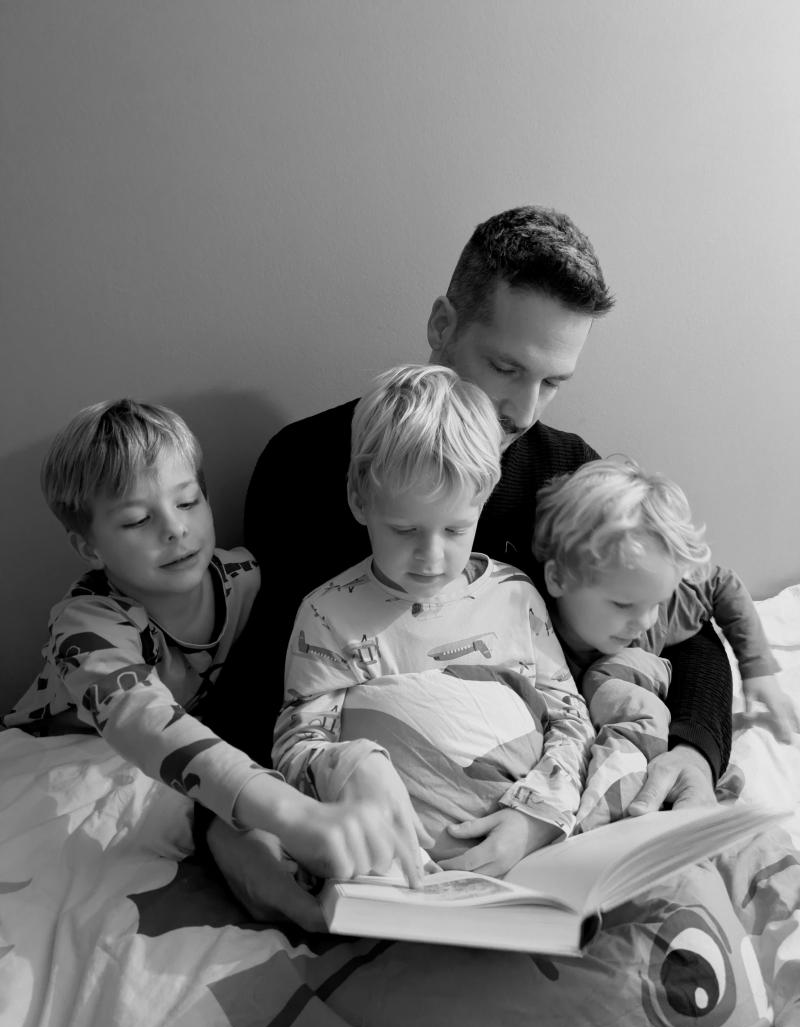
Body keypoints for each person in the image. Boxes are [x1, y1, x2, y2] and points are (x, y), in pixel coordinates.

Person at [201, 204, 733, 924]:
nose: (524, 410)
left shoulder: (566, 474)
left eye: (554, 382)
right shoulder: (304, 465)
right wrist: (223, 824)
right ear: (442, 324)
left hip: (533, 815)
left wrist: (696, 749)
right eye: (506, 368)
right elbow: (266, 673)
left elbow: (678, 625)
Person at [5, 399, 423, 889]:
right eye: (138, 520)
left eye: (187, 502)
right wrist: (289, 811)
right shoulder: (86, 623)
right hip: (76, 752)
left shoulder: (251, 580)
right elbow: (142, 721)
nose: (175, 529)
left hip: (203, 755)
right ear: (88, 547)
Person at [272, 364, 594, 878]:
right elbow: (296, 747)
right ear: (359, 499)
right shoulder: (327, 615)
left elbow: (570, 720)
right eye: (404, 530)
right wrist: (351, 766)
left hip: (528, 851)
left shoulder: (514, 596)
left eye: (456, 529)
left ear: (484, 499)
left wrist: (535, 818)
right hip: (394, 865)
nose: (431, 557)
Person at [532, 457, 793, 831]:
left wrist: (758, 670)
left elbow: (724, 585)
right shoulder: (532, 635)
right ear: (558, 578)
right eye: (622, 604)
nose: (645, 622)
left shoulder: (669, 608)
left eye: (655, 602)